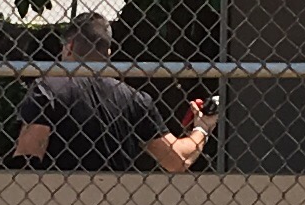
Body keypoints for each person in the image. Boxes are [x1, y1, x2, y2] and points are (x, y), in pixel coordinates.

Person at [12, 12, 212, 173]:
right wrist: (201, 128)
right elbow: (177, 160)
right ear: (108, 53)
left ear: (69, 46)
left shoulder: (47, 89)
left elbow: (27, 158)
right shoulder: (134, 99)